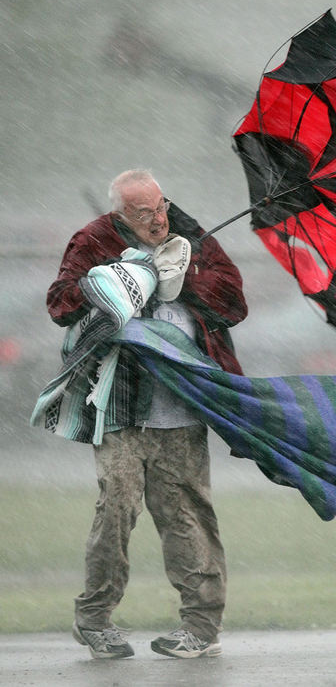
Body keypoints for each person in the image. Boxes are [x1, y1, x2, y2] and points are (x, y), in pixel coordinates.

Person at [47, 169, 248, 659]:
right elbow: (60, 304)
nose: (159, 219)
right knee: (115, 510)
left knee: (187, 516)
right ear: (121, 214)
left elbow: (235, 303)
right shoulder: (93, 239)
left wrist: (187, 278)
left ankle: (200, 628)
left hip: (184, 407)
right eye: (144, 214)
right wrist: (120, 278)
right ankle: (94, 621)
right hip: (119, 407)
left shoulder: (193, 237)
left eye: (161, 207)